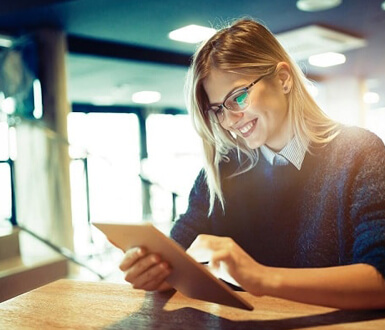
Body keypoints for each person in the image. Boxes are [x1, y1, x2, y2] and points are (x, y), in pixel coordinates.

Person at [119, 18, 385, 309]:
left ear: (283, 79)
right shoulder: (223, 169)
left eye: (239, 97)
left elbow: (379, 280)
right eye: (218, 110)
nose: (230, 121)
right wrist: (157, 272)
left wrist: (260, 278)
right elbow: (178, 255)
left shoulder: (358, 152)